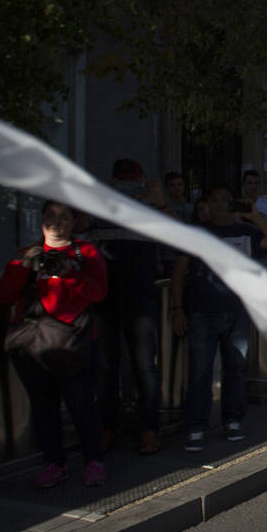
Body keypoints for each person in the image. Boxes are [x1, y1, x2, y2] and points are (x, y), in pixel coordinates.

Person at [0, 200, 109, 488]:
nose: (56, 222)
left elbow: (98, 293)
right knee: (43, 406)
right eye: (50, 216)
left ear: (74, 222)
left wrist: (68, 272)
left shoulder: (86, 253)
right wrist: (24, 265)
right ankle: (54, 463)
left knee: (82, 405)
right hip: (34, 345)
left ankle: (93, 460)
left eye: (63, 217)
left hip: (76, 342)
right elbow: (6, 295)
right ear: (41, 221)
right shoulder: (26, 254)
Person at [170, 184, 267, 451]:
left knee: (236, 368)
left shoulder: (247, 232)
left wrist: (254, 215)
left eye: (227, 200)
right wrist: (177, 309)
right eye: (215, 200)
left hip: (238, 312)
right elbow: (178, 274)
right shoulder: (197, 233)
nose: (221, 204)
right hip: (202, 311)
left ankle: (233, 419)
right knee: (200, 371)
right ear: (206, 204)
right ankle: (196, 426)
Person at [87, 158, 166, 456]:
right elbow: (80, 224)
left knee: (145, 367)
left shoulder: (149, 208)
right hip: (105, 299)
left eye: (131, 181)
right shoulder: (98, 207)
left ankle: (148, 429)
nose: (126, 187)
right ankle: (108, 425)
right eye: (121, 181)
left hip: (141, 300)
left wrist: (155, 199)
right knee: (106, 368)